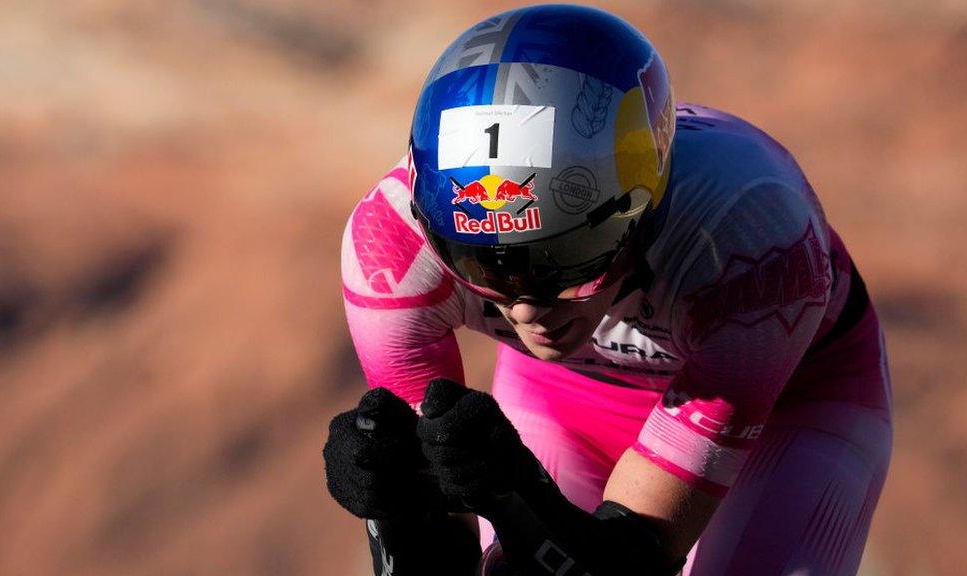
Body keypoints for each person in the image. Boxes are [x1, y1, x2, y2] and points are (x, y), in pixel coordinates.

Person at [324, 5, 892, 575]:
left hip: (792, 402)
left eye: (562, 260)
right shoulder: (390, 240)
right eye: (484, 267)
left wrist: (518, 496)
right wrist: (401, 516)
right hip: (566, 393)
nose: (525, 308)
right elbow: (440, 551)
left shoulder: (748, 232)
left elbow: (633, 559)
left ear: (642, 213)